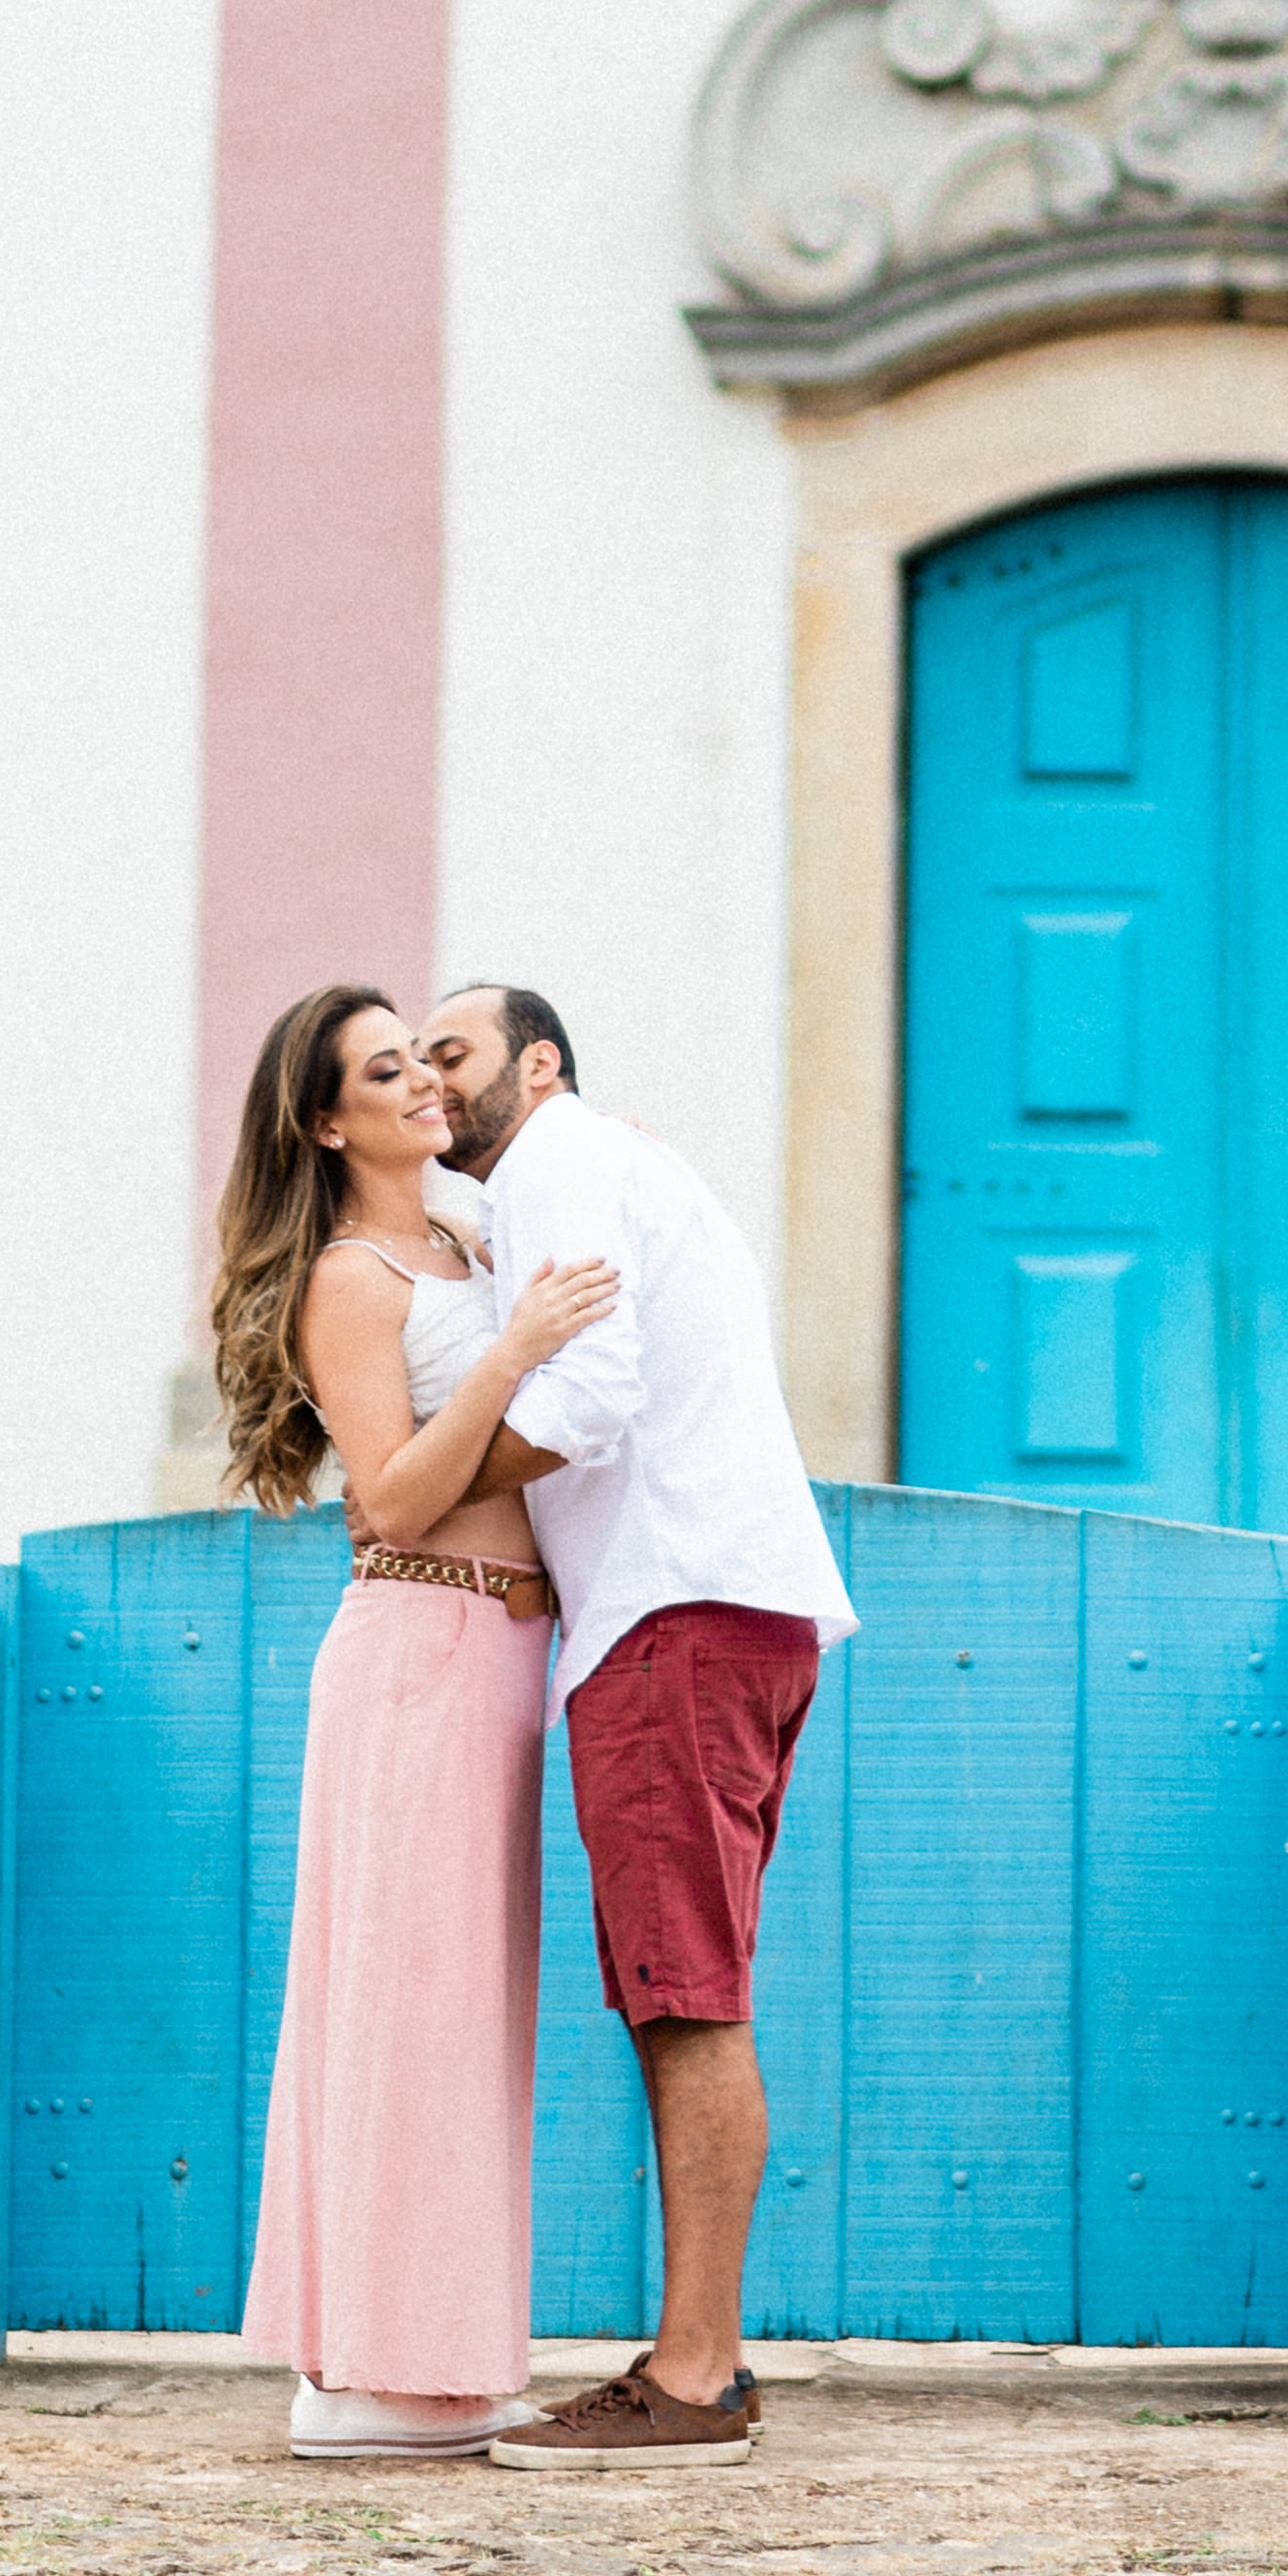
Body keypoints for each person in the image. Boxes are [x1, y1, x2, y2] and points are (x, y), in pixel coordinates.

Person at [416, 980, 856, 2466]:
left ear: (537, 1065)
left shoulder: (559, 1161)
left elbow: (594, 1389)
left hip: (671, 1617)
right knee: (691, 1984)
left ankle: (691, 2378)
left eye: (454, 1053)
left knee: (686, 1994)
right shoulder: (585, 1168)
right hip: (719, 1606)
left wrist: (429, 1487)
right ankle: (702, 2364)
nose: (430, 1076)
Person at [208, 981, 619, 2460]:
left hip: (504, 1656)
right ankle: (371, 2360)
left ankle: (443, 2351)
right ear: (329, 1118)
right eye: (386, 1072)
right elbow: (383, 1493)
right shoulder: (351, 1276)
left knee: (469, 2020)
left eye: (425, 1060)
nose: (424, 1084)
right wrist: (513, 1354)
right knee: (399, 2011)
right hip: (415, 1641)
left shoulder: (474, 1232)